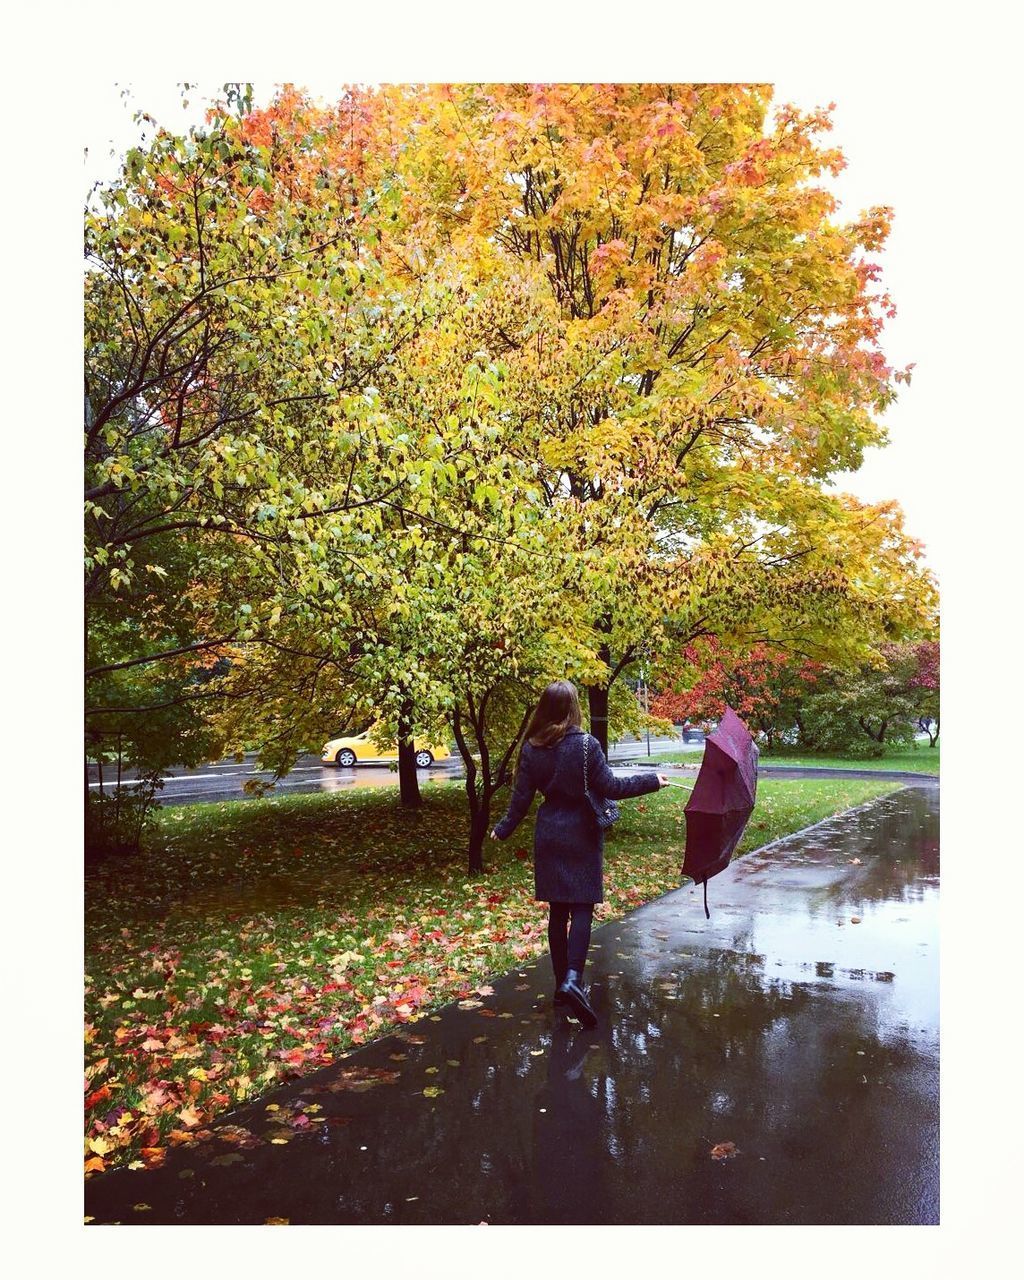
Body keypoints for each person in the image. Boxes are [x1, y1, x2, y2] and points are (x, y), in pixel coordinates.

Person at [489, 679, 667, 1026]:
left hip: (550, 833)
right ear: (573, 708)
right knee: (582, 906)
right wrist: (652, 781)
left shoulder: (532, 748)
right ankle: (573, 979)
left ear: (544, 709)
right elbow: (612, 787)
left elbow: (521, 799)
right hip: (581, 833)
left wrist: (503, 828)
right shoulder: (587, 746)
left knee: (558, 910)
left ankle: (561, 988)